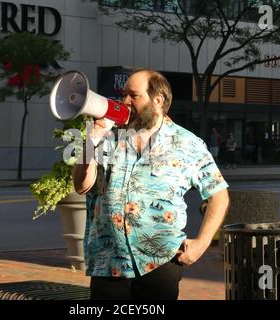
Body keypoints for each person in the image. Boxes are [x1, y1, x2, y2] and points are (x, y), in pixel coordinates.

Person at [72, 69, 230, 300]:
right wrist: (93, 136)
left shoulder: (188, 144)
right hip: (109, 262)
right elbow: (81, 185)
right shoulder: (110, 136)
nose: (125, 101)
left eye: (133, 95)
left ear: (158, 100)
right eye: (124, 94)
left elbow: (219, 196)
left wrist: (201, 244)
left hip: (159, 264)